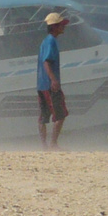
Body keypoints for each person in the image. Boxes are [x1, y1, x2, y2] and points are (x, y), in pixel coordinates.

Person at [37, 11, 70, 149]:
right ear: (55, 26)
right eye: (61, 24)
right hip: (49, 85)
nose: (64, 27)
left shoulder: (46, 41)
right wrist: (54, 80)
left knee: (43, 117)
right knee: (60, 114)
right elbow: (46, 62)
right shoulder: (51, 41)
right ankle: (53, 144)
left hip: (41, 84)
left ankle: (44, 145)